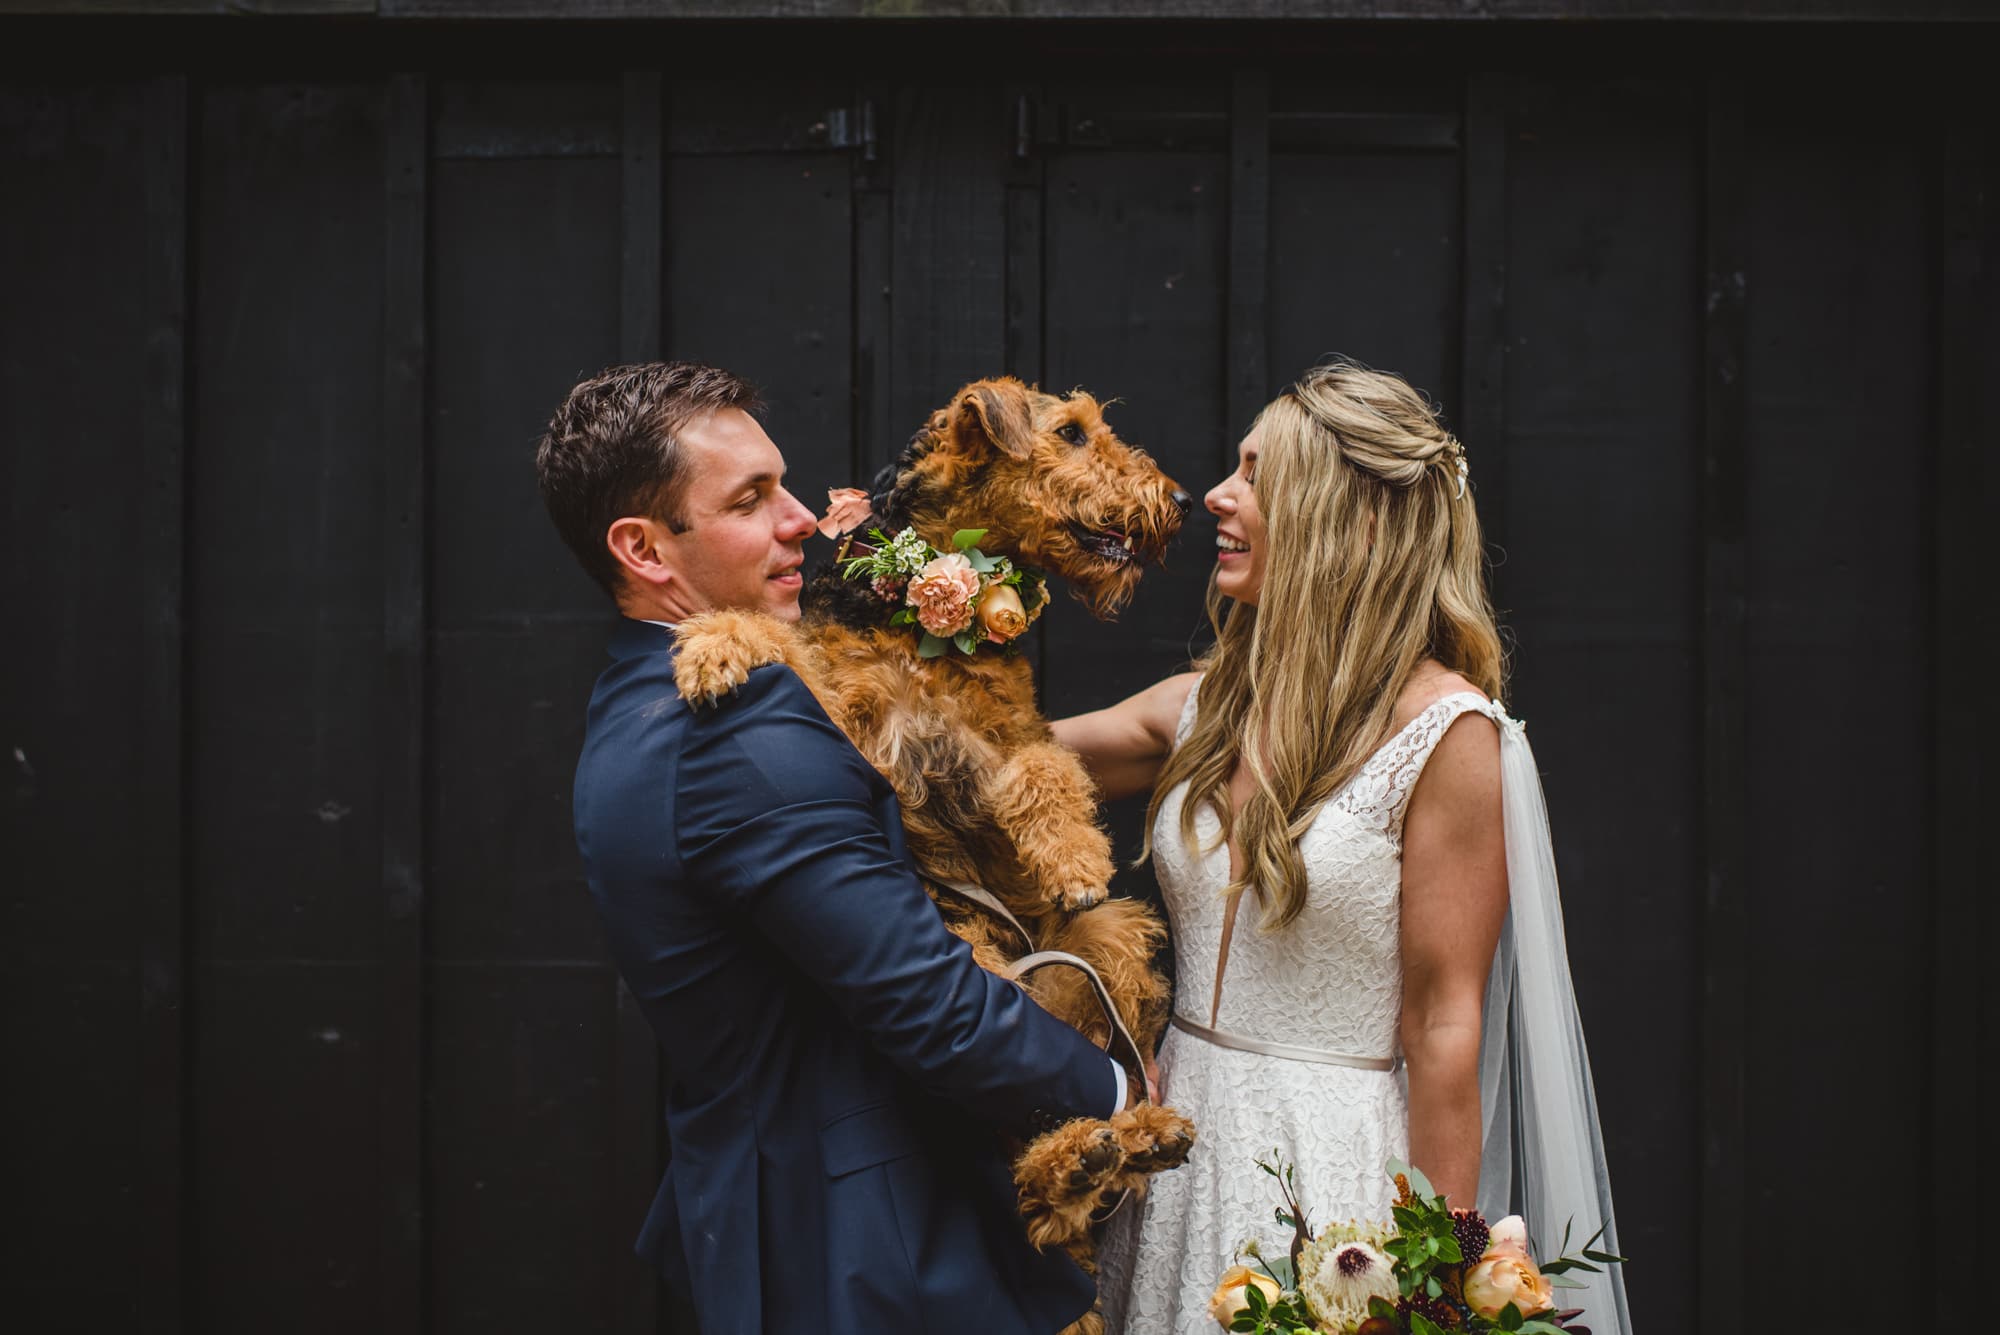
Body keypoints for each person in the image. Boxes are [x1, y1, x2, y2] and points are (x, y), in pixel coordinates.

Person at [536, 361, 1134, 1335]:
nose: (803, 518)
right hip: (876, 1249)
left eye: (784, 482)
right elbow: (923, 999)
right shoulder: (736, 722)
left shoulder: (629, 704)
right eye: (750, 499)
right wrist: (1115, 1086)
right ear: (644, 549)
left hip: (772, 1222)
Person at [1054, 362, 1627, 1334]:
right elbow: (987, 771)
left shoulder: (1447, 735)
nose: (1216, 497)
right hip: (1171, 1153)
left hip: (1321, 1183)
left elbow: (1443, 1025)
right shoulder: (1204, 709)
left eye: (1253, 474)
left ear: (1343, 519)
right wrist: (910, 601)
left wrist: (1438, 1289)